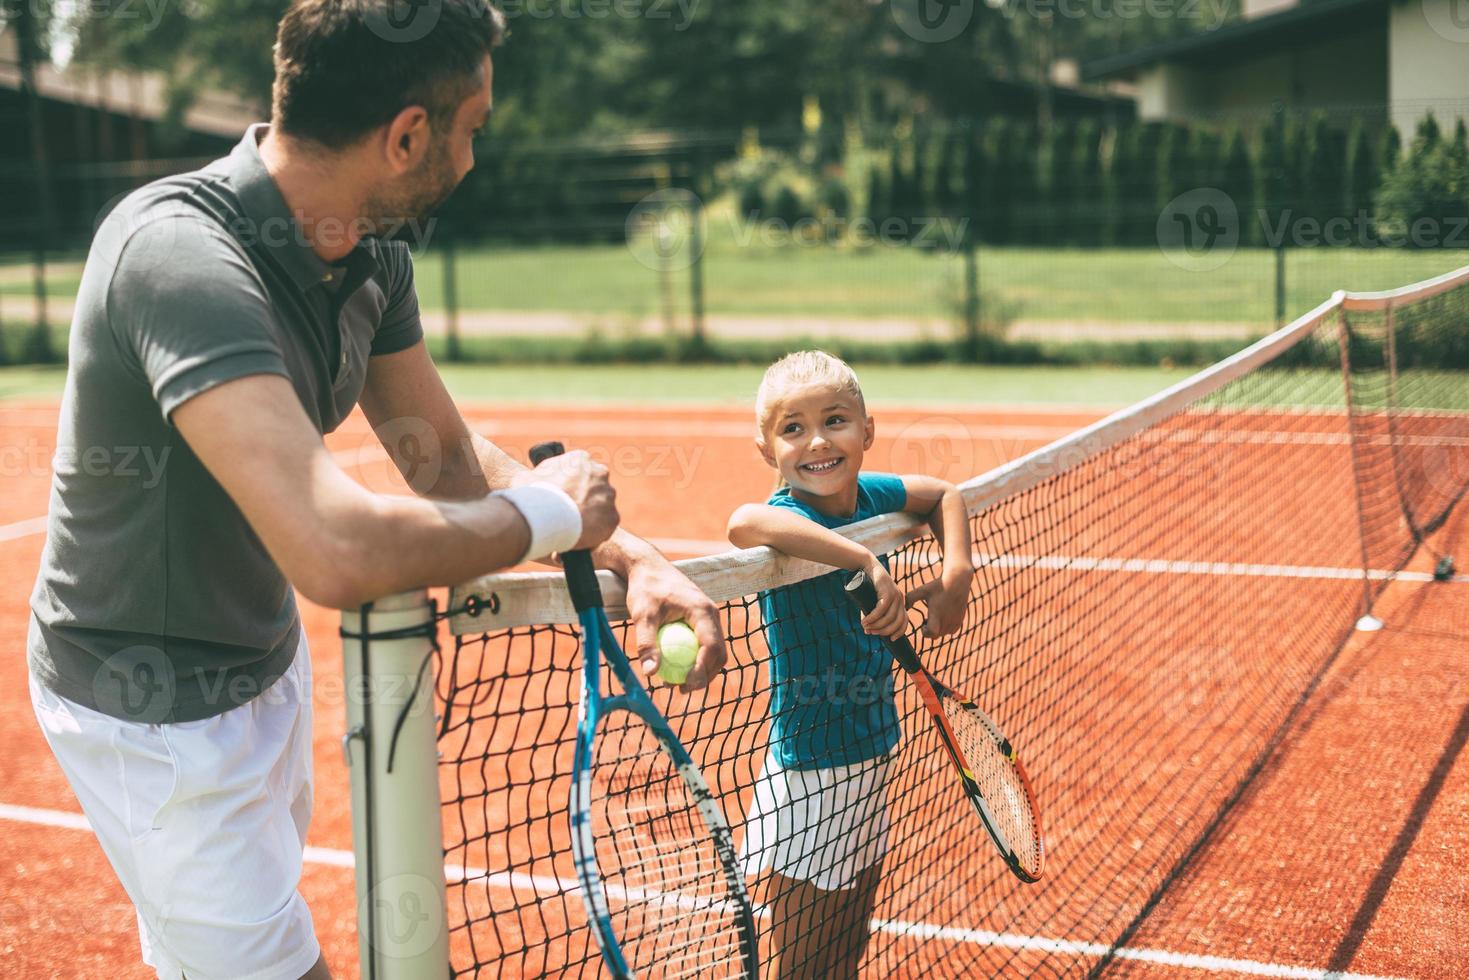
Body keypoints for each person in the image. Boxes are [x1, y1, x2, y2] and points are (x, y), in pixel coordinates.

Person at [26, 3, 728, 978]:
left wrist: (630, 553)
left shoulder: (367, 252)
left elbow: (438, 456)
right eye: (470, 128)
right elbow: (334, 547)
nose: (474, 159)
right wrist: (553, 512)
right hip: (144, 711)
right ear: (406, 134)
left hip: (259, 667)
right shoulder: (180, 260)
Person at [726, 350, 975, 979]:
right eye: (792, 428)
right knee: (804, 970)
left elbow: (945, 492)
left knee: (845, 957)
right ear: (766, 448)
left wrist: (957, 573)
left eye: (835, 420)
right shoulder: (791, 514)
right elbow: (743, 522)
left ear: (867, 430)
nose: (816, 441)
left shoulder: (870, 495)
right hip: (809, 780)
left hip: (870, 759)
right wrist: (862, 561)